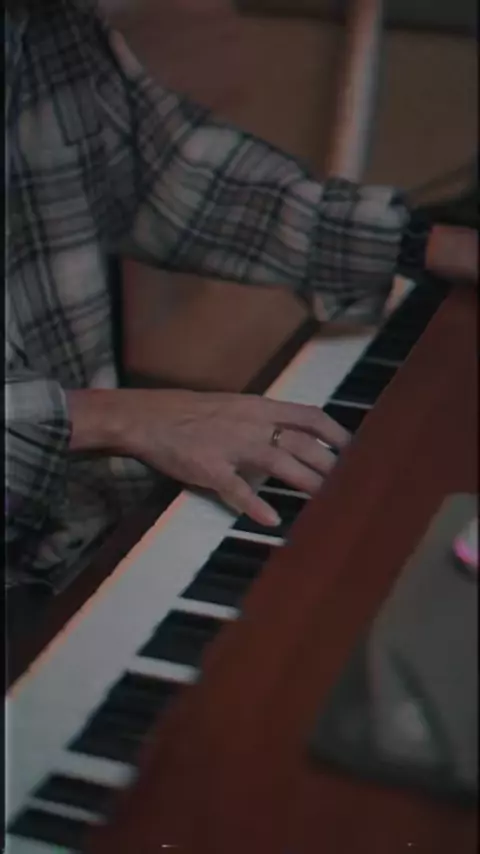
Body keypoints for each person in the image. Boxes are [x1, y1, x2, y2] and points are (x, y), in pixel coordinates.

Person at [6, 0, 477, 594]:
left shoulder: (40, 24)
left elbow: (169, 177)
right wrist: (105, 417)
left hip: (73, 524)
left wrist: (424, 244)